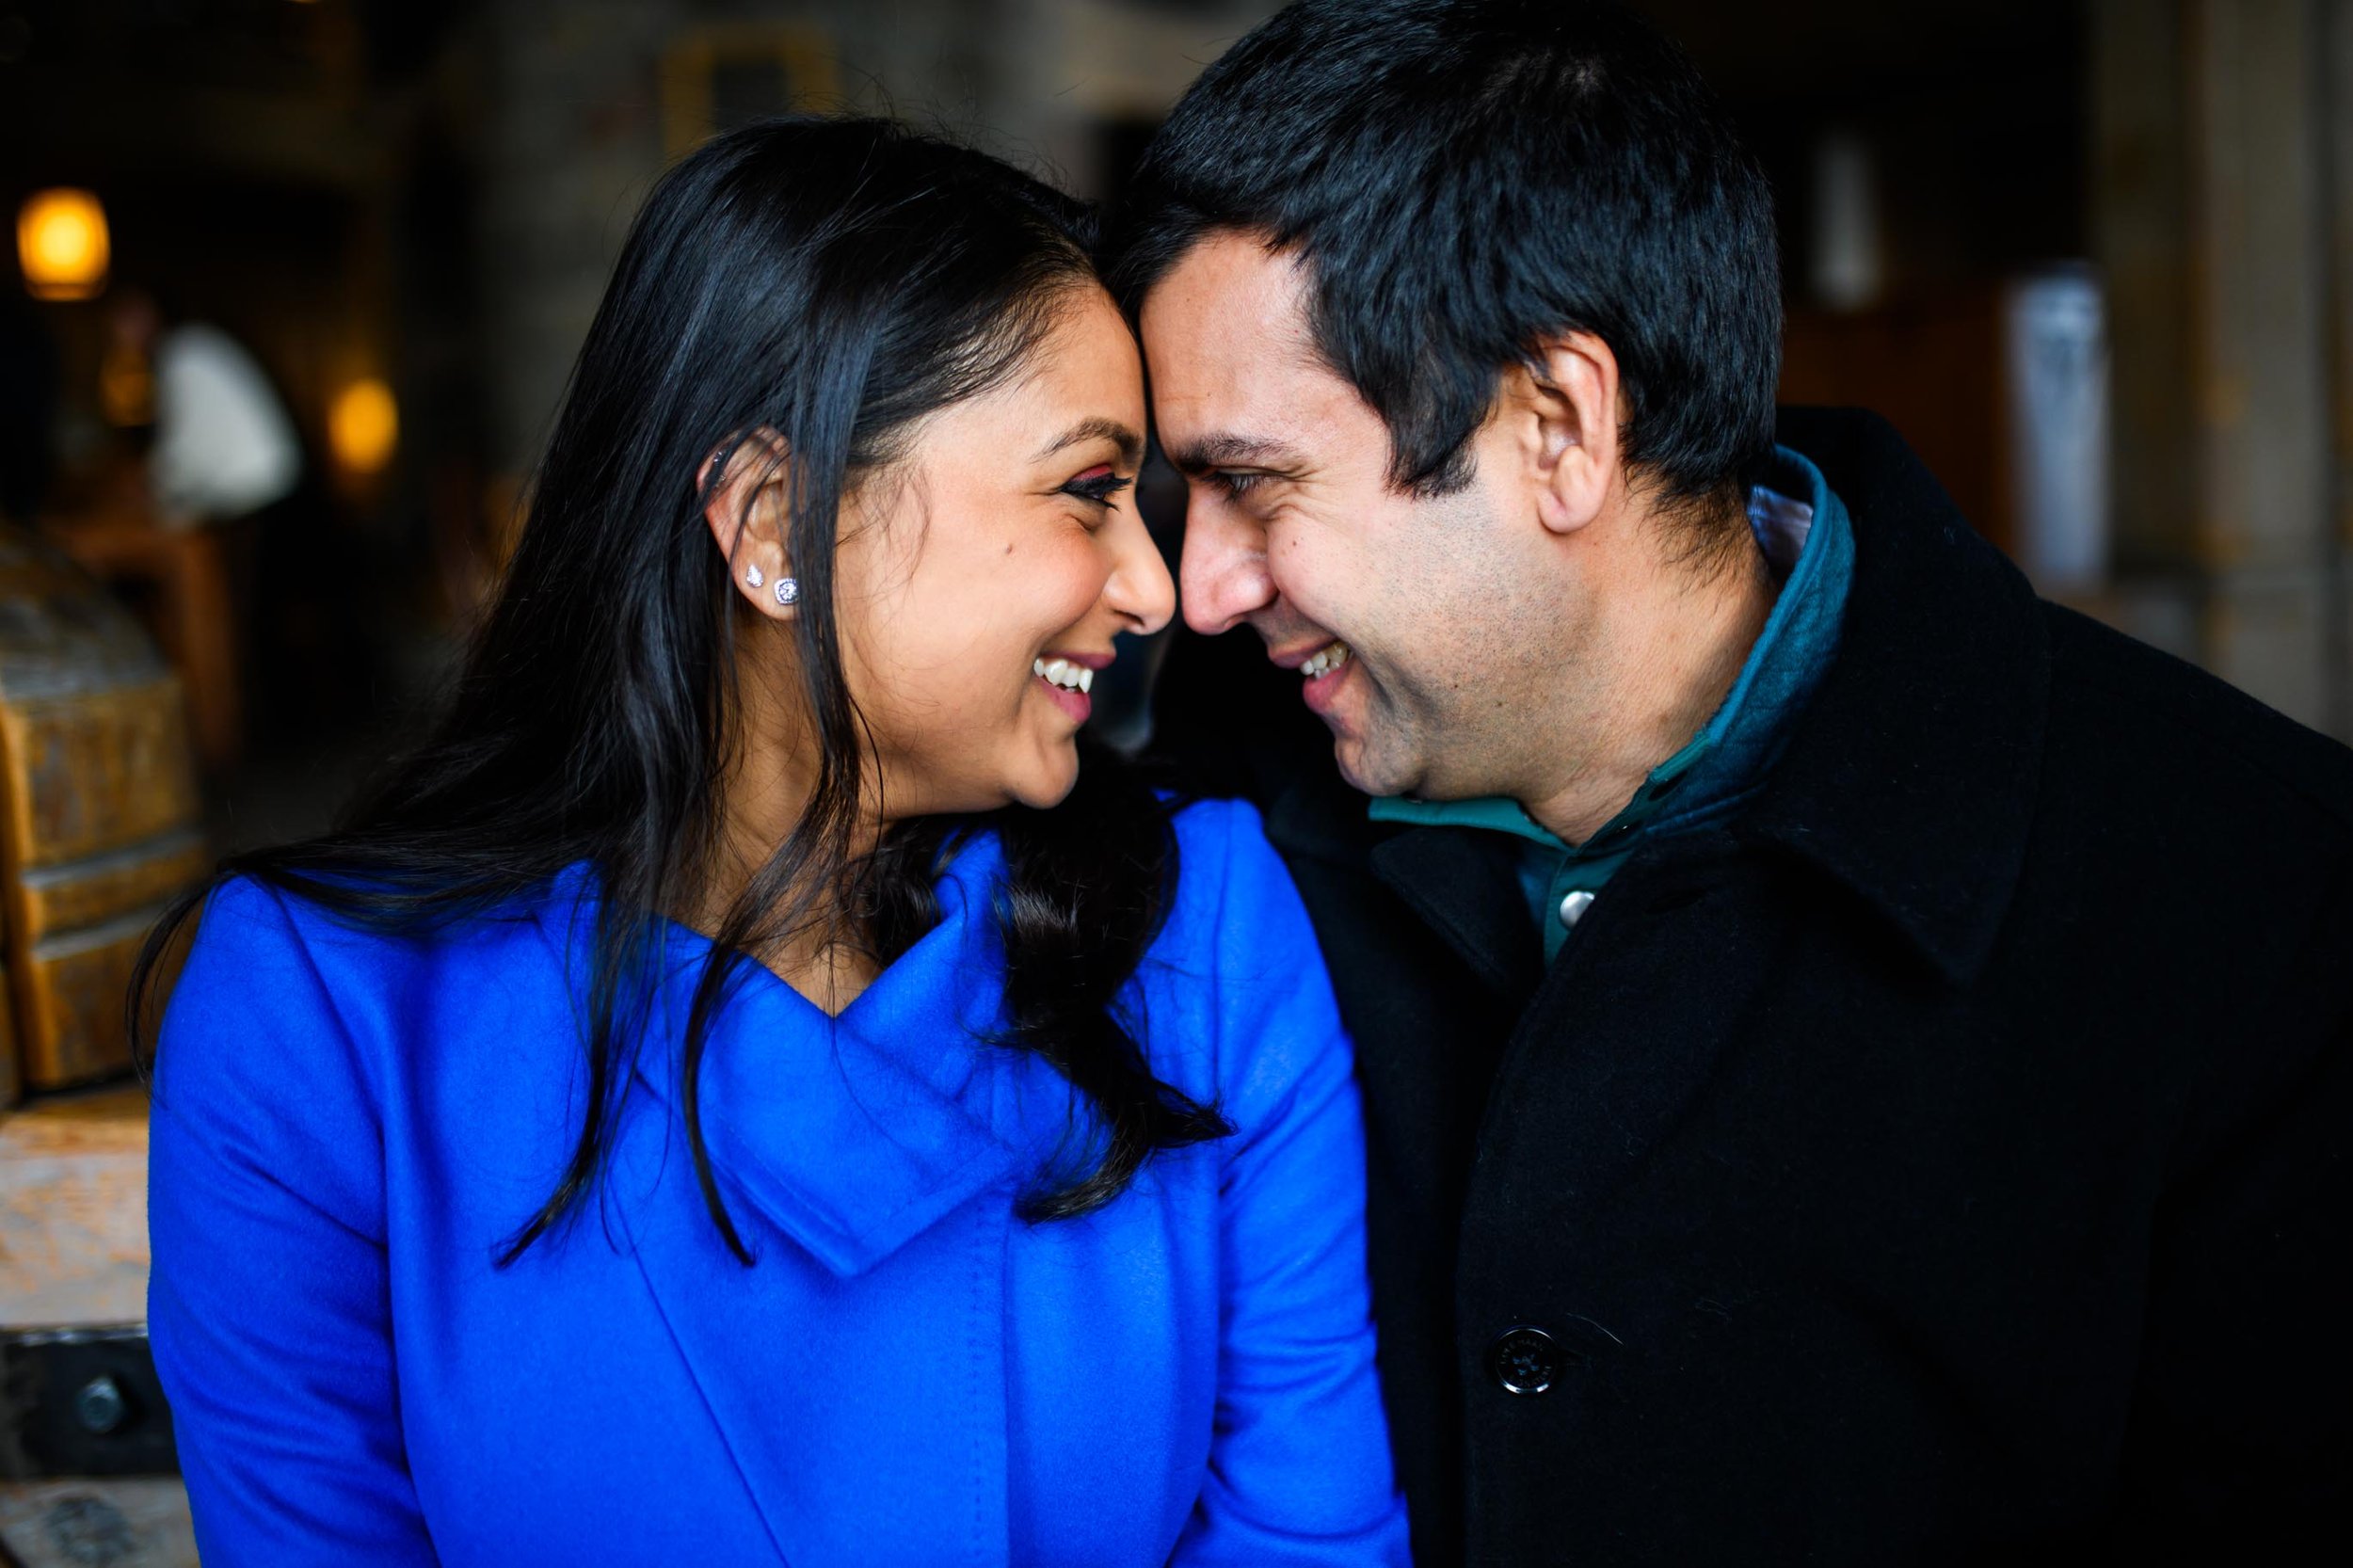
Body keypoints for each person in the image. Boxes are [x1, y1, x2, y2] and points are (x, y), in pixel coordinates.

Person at [1111, 2, 2353, 1562]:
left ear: (1559, 426)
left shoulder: (2259, 906)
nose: (1194, 587)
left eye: (1253, 484)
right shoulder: (1211, 797)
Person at [137, 119, 1410, 1568]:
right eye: (1086, 490)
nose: (1155, 588)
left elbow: (1308, 1533)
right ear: (774, 522)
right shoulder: (325, 1017)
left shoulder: (1204, 923)